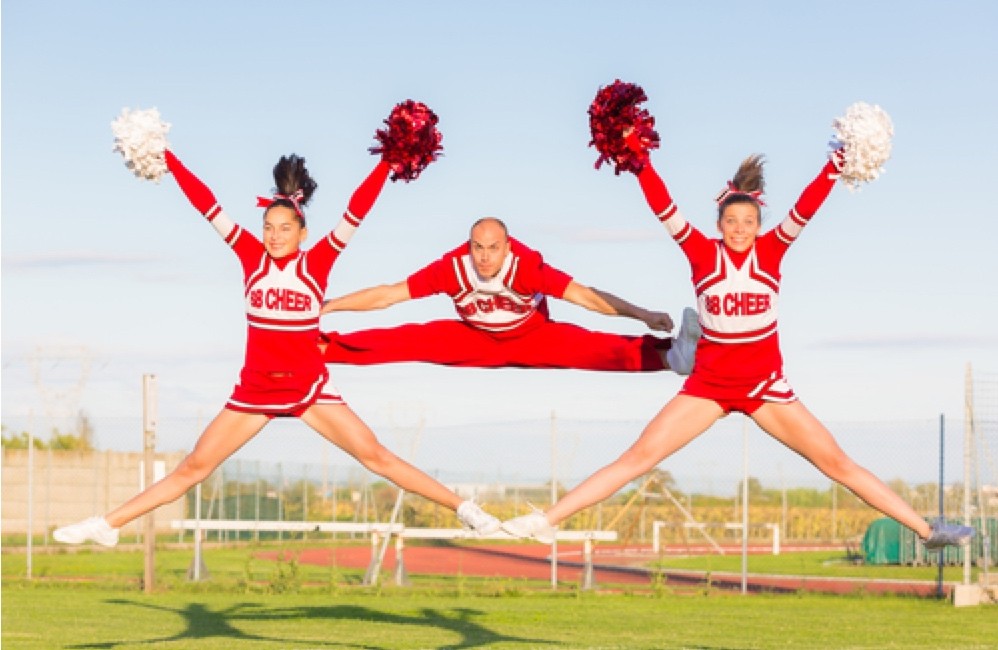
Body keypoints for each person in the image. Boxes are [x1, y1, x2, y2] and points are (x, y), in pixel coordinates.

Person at [502, 131, 975, 550]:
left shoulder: (772, 250)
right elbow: (662, 205)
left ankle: (927, 531)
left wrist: (835, 165)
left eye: (749, 222)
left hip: (766, 387)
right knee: (639, 457)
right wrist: (638, 159)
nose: (741, 230)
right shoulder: (700, 253)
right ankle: (546, 520)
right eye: (732, 222)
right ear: (720, 225)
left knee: (836, 463)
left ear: (758, 225)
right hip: (708, 386)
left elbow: (806, 207)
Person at [54, 147, 499, 547]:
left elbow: (357, 209)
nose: (274, 235)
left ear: (302, 232)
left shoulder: (318, 262)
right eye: (268, 227)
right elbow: (206, 204)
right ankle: (107, 524)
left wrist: (389, 159)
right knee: (193, 468)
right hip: (255, 392)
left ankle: (464, 508)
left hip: (308, 389)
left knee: (376, 456)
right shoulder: (250, 257)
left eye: (284, 228)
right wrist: (168, 159)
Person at [318, 216, 701, 374]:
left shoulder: (527, 268)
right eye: (478, 248)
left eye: (493, 248)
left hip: (533, 336)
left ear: (507, 248)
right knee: (405, 339)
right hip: (473, 336)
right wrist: (330, 305)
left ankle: (674, 355)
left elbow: (587, 297)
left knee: (596, 349)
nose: (484, 257)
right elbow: (387, 296)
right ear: (469, 246)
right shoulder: (452, 268)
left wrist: (643, 314)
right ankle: (317, 348)